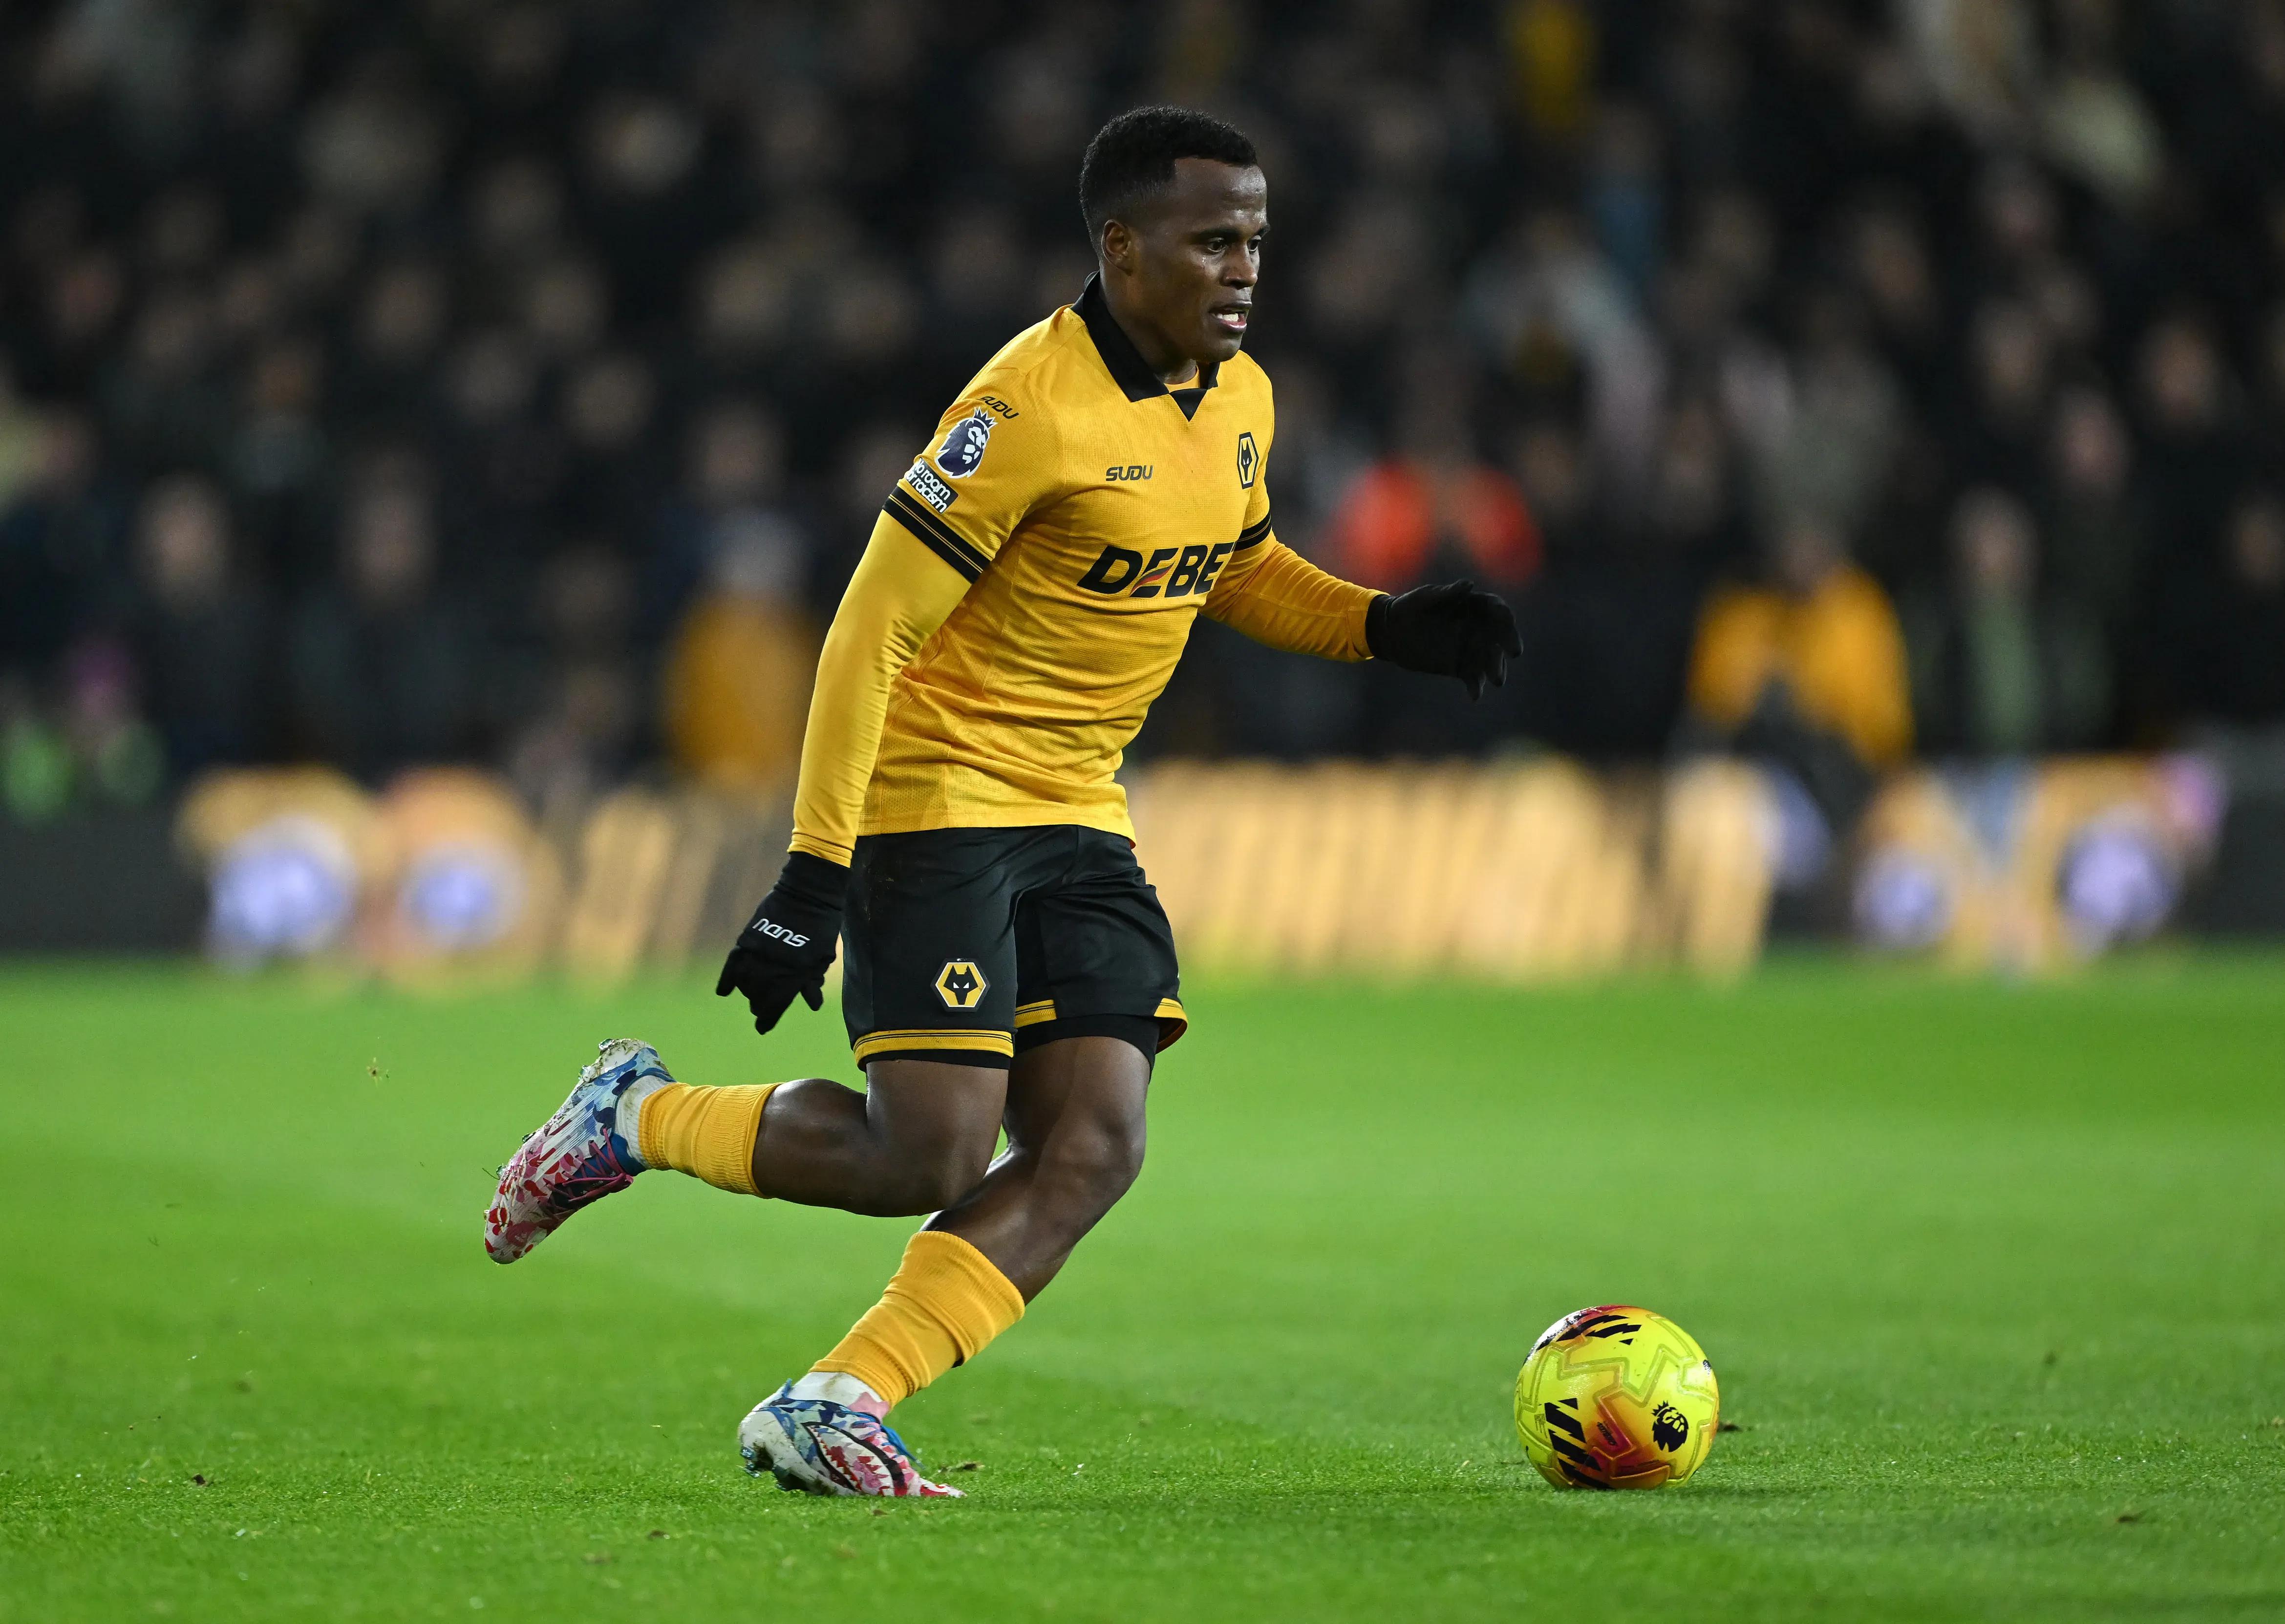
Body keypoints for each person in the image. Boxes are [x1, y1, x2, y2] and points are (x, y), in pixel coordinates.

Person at [484, 107, 1518, 1498]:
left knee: (1094, 1139)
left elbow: (1232, 560)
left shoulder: (1244, 400)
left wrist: (1380, 627)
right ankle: (635, 1114)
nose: (1243, 269)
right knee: (929, 1149)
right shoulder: (1024, 406)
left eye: (1256, 241)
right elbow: (868, 629)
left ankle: (837, 1396)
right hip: (939, 795)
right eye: (1213, 241)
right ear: (1122, 246)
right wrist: (811, 872)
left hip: (1081, 807)